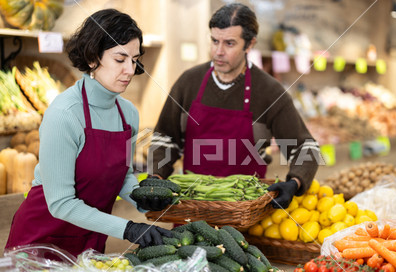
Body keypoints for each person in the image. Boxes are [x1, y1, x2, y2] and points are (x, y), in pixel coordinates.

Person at [5, 9, 171, 258]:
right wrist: (128, 228)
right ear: (93, 58)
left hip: (90, 237)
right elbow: (60, 203)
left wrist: (141, 199)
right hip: (40, 241)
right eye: (120, 59)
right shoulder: (64, 113)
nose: (130, 69)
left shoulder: (128, 114)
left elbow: (120, 176)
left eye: (134, 59)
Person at [142, 3, 321, 212]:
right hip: (192, 208)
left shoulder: (269, 91)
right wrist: (156, 177)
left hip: (248, 213)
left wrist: (295, 183)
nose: (218, 51)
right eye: (214, 41)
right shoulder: (189, 82)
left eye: (229, 43)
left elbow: (306, 148)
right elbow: (165, 139)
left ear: (249, 44)